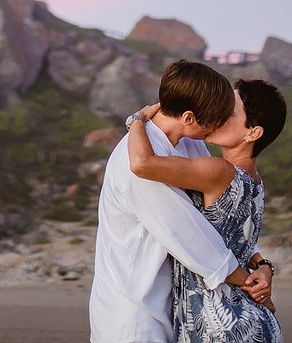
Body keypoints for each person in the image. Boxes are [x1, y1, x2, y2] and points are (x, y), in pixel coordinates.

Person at [90, 60, 274, 343]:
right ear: (189, 118)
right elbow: (187, 233)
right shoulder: (138, 156)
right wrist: (247, 282)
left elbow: (219, 219)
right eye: (218, 116)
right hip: (134, 313)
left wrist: (258, 261)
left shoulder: (189, 143)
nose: (222, 122)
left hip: (173, 307)